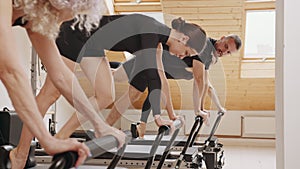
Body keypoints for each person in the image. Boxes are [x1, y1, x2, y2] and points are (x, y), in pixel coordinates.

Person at [0, 0, 125, 168]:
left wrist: (99, 125)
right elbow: (11, 72)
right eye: (73, 12)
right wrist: (48, 140)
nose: (71, 18)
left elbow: (61, 75)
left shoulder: (33, 16)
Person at [106, 34, 242, 138]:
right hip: (149, 60)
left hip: (153, 68)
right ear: (222, 38)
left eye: (228, 52)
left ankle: (113, 127)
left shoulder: (211, 56)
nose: (223, 52)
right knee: (115, 77)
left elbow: (207, 85)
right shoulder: (205, 47)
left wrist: (216, 107)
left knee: (136, 90)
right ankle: (98, 66)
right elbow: (199, 80)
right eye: (225, 46)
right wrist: (198, 110)